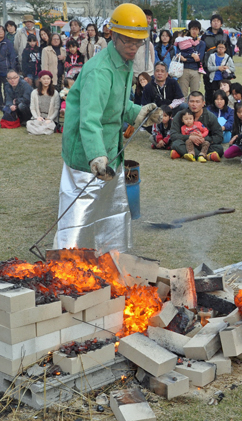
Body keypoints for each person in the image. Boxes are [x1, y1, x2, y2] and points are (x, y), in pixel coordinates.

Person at [57, 3, 161, 253]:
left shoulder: (124, 64)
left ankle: (112, 261)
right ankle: (67, 266)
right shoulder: (99, 71)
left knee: (112, 211)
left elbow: (118, 105)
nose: (133, 47)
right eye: (128, 41)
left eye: (138, 42)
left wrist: (140, 113)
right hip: (87, 154)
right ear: (113, 35)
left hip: (110, 151)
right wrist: (96, 155)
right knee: (79, 216)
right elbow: (89, 118)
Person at [170, 91, 224, 161]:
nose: (194, 104)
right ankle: (203, 156)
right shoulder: (180, 115)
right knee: (175, 144)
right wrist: (189, 137)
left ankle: (184, 154)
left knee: (219, 149)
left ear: (203, 103)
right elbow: (173, 135)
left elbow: (219, 136)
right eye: (192, 101)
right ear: (187, 103)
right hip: (187, 143)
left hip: (205, 144)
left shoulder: (210, 116)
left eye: (197, 102)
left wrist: (204, 139)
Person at [202, 14, 233, 105]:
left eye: (218, 21)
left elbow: (229, 52)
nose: (216, 23)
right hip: (208, 67)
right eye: (214, 21)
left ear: (221, 24)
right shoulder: (205, 36)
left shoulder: (224, 36)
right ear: (211, 23)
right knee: (209, 90)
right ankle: (209, 108)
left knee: (223, 90)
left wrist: (228, 66)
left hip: (222, 68)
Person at [177, 20, 205, 98]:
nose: (194, 31)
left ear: (199, 31)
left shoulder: (201, 43)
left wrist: (186, 58)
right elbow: (180, 53)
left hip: (195, 70)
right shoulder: (182, 40)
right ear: (189, 30)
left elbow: (199, 58)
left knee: (195, 94)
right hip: (184, 69)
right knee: (183, 94)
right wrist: (192, 55)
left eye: (196, 29)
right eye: (193, 29)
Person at [26, 70, 60, 135]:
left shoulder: (55, 93)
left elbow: (56, 109)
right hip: (38, 119)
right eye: (44, 79)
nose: (46, 81)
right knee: (29, 123)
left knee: (49, 125)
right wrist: (37, 117)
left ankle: (36, 131)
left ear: (50, 80)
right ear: (40, 80)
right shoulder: (34, 92)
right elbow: (32, 108)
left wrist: (50, 119)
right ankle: (42, 131)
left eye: (48, 79)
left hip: (49, 119)